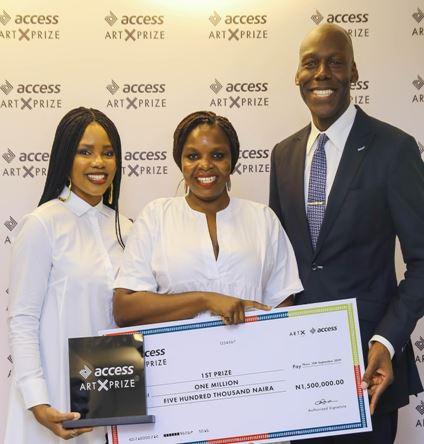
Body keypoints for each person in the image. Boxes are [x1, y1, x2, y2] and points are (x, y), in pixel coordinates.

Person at [269, 23, 424, 444]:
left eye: (335, 63)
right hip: (297, 372)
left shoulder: (394, 149)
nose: (322, 73)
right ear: (297, 75)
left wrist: (386, 341)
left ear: (354, 72)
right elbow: (280, 262)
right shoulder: (283, 155)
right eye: (310, 64)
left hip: (368, 370)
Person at [5, 107, 132, 443]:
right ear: (65, 157)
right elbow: (23, 319)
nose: (99, 163)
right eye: (85, 152)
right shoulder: (42, 224)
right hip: (55, 402)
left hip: (116, 400)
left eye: (108, 153)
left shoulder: (127, 229)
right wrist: (38, 402)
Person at [113, 110, 302, 327]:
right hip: (177, 349)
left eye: (218, 156)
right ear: (180, 162)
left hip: (254, 347)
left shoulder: (263, 219)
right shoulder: (156, 216)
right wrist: (205, 300)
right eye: (193, 156)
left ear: (232, 161)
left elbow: (282, 303)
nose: (205, 165)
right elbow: (125, 310)